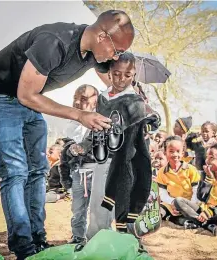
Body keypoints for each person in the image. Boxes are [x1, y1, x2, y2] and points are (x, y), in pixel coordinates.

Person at [0, 10, 134, 260]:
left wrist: (135, 105)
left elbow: (114, 86)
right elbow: (26, 95)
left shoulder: (95, 52)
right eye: (117, 50)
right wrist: (79, 115)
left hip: (28, 101)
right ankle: (23, 245)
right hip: (2, 97)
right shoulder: (54, 41)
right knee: (15, 171)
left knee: (38, 171)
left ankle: (38, 239)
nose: (116, 57)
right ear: (102, 36)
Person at [66, 52, 158, 240]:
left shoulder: (136, 100)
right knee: (99, 204)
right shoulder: (102, 98)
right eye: (116, 74)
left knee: (125, 205)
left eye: (127, 75)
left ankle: (131, 244)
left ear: (134, 74)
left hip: (126, 161)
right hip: (103, 158)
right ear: (109, 72)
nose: (121, 79)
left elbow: (153, 123)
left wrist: (149, 119)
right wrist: (84, 144)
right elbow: (96, 127)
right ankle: (97, 244)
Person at [174, 142, 217, 236]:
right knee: (178, 201)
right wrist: (208, 178)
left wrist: (210, 212)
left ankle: (201, 222)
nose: (207, 161)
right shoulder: (205, 175)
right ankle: (207, 225)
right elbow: (201, 197)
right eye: (207, 157)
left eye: (211, 157)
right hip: (203, 210)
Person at [60, 84, 98, 245]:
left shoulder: (101, 121)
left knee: (98, 210)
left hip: (97, 173)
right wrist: (71, 149)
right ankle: (77, 237)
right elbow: (65, 152)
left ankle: (97, 238)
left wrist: (84, 148)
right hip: (77, 173)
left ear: (95, 101)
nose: (76, 102)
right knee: (77, 209)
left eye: (82, 99)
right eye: (74, 98)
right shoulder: (71, 123)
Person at [155, 136, 200, 224]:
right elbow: (162, 193)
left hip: (189, 204)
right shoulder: (161, 172)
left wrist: (186, 206)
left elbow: (196, 191)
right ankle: (177, 219)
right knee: (158, 213)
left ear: (182, 153)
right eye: (171, 151)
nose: (175, 154)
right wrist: (172, 204)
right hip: (170, 203)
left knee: (180, 203)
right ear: (165, 152)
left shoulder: (191, 169)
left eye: (178, 151)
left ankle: (195, 221)